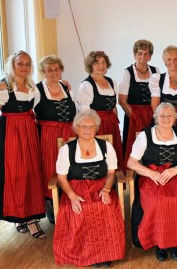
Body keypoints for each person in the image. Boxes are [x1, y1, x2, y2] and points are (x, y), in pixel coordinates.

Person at [128, 102, 177, 261]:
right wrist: (150, 173)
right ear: (155, 118)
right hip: (152, 178)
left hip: (176, 176)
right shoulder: (144, 136)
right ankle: (160, 244)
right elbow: (131, 162)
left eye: (169, 116)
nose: (166, 118)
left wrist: (176, 170)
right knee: (158, 201)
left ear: (175, 118)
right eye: (162, 116)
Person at [53, 109, 125, 267]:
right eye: (83, 126)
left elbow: (112, 172)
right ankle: (86, 253)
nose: (87, 130)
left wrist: (106, 189)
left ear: (97, 128)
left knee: (104, 207)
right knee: (82, 209)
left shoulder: (105, 147)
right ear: (75, 128)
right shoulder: (67, 150)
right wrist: (72, 196)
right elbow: (61, 178)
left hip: (101, 185)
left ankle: (106, 253)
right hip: (75, 187)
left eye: (91, 126)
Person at [0, 51, 46, 239]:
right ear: (12, 65)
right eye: (20, 63)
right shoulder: (4, 85)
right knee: (16, 175)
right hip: (10, 133)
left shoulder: (32, 86)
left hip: (29, 131)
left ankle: (32, 218)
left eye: (27, 64)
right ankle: (18, 216)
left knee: (32, 173)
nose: (24, 67)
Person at [34, 55, 76, 223]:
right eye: (49, 70)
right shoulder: (37, 90)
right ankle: (51, 204)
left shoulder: (66, 87)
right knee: (50, 168)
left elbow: (76, 110)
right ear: (43, 72)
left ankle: (68, 202)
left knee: (69, 168)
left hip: (69, 134)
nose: (53, 72)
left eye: (56, 69)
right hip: (48, 135)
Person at [76, 51, 124, 170]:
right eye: (97, 63)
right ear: (90, 65)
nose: (101, 66)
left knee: (114, 153)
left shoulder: (111, 82)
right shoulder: (87, 85)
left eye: (103, 62)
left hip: (111, 123)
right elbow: (85, 114)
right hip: (96, 125)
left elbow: (113, 107)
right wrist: (92, 129)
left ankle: (115, 183)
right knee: (101, 153)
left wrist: (116, 125)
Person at [119, 40, 159, 169]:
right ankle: (133, 181)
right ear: (134, 55)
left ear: (150, 56)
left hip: (152, 114)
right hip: (133, 116)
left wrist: (155, 115)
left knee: (151, 145)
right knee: (134, 148)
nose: (142, 57)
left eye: (146, 54)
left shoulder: (155, 71)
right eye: (139, 53)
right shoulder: (127, 73)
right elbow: (122, 101)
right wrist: (136, 117)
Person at [151, 45, 177, 127]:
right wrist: (163, 121)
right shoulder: (157, 79)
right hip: (163, 119)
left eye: (175, 59)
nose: (172, 62)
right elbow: (155, 103)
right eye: (169, 59)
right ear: (165, 62)